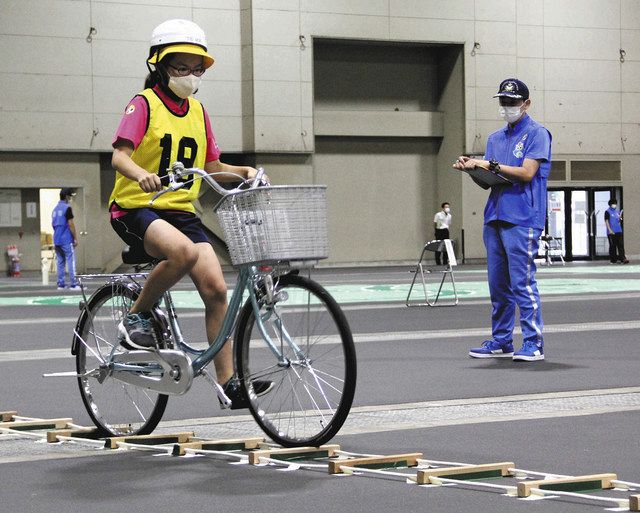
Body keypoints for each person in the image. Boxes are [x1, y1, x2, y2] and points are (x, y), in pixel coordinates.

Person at [108, 19, 271, 408]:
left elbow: (212, 166)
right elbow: (119, 155)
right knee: (181, 253)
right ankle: (136, 318)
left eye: (197, 68)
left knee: (217, 291)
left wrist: (244, 172)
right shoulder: (142, 104)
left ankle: (228, 384)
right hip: (135, 208)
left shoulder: (198, 111)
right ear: (160, 66)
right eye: (181, 67)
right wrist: (142, 175)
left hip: (180, 211)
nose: (191, 75)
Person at [453, 78, 552, 362]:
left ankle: (534, 343)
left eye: (512, 102)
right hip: (495, 216)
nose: (507, 106)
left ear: (526, 103)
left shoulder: (537, 134)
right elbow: (489, 182)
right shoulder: (495, 139)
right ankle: (502, 340)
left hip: (523, 217)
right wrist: (473, 169)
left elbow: (527, 173)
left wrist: (489, 164)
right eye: (503, 102)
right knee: (498, 285)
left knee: (522, 282)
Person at [52, 187, 80, 290]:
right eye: (70, 197)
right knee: (71, 260)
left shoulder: (55, 209)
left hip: (56, 239)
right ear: (67, 197)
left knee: (60, 261)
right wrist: (75, 238)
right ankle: (74, 283)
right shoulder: (67, 208)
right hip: (66, 239)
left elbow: (54, 224)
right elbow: (70, 224)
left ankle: (61, 284)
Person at [604, 199, 629, 264]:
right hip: (612, 232)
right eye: (614, 204)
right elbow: (606, 221)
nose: (615, 205)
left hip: (619, 231)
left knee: (620, 245)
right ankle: (613, 260)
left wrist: (620, 216)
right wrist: (610, 230)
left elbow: (619, 220)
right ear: (610, 204)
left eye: (615, 203)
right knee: (613, 246)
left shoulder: (617, 212)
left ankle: (623, 259)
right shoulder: (607, 212)